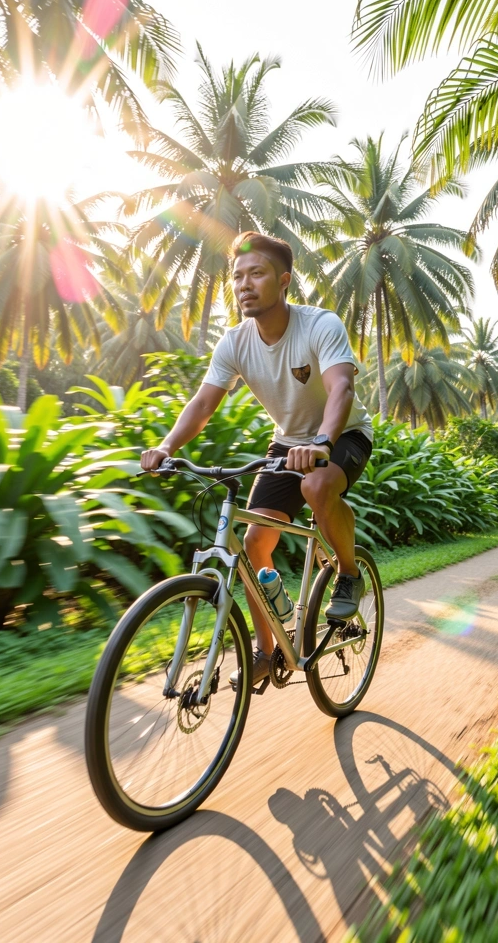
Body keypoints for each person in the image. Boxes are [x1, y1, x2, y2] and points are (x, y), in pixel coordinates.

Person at [140, 231, 374, 684]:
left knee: (317, 484)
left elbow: (341, 387)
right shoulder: (235, 341)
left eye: (257, 273)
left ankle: (348, 573)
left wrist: (323, 442)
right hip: (288, 443)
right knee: (252, 545)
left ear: (283, 280)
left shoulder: (320, 324)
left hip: (342, 433)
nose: (244, 284)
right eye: (237, 276)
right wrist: (168, 447)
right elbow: (203, 403)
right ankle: (268, 652)